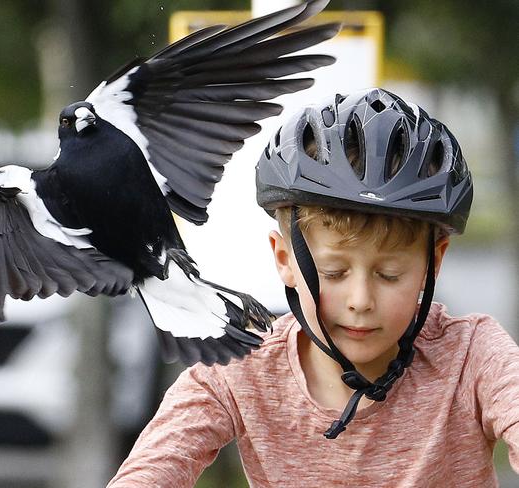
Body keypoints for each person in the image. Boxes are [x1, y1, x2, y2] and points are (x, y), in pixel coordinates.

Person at [106, 88, 519, 487]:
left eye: (389, 274)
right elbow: (152, 470)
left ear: (435, 262)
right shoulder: (242, 368)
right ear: (284, 260)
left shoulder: (473, 356)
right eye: (334, 272)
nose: (360, 301)